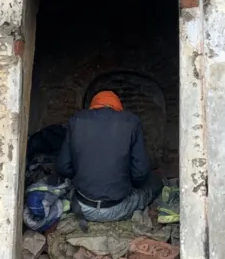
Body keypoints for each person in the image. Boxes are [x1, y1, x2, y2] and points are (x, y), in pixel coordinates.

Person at [57, 90, 162, 222]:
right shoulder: (131, 122)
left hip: (82, 206)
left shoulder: (76, 120)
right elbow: (140, 172)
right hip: (117, 208)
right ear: (118, 108)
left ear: (93, 106)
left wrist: (83, 176)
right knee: (155, 182)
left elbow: (63, 167)